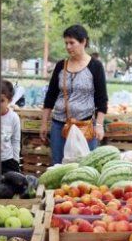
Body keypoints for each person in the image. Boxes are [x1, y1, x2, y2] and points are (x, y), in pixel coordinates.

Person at [40, 25, 108, 165]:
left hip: (85, 126)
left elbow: (102, 99)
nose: (68, 47)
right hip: (59, 126)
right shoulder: (60, 66)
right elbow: (50, 96)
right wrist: (44, 123)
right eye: (66, 43)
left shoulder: (95, 66)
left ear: (83, 42)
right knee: (58, 166)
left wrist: (99, 125)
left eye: (72, 43)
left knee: (85, 167)